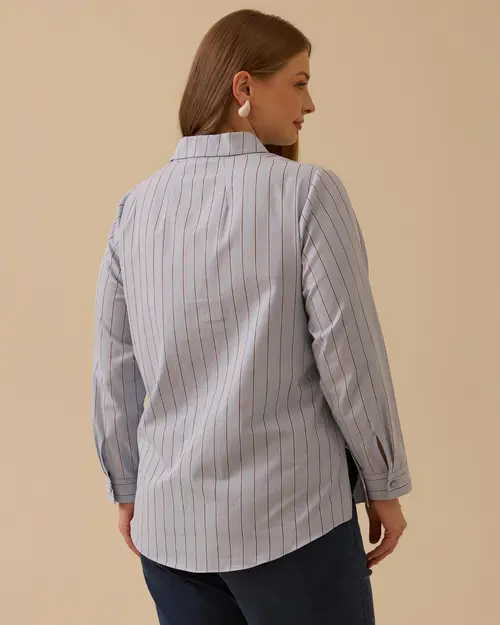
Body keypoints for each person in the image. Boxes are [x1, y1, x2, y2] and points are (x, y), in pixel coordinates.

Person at [91, 8, 412, 625]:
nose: (310, 104)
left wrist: (127, 486)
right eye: (298, 82)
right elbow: (350, 359)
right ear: (244, 87)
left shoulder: (135, 208)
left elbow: (114, 368)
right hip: (294, 524)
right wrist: (385, 483)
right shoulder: (307, 193)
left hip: (170, 531)